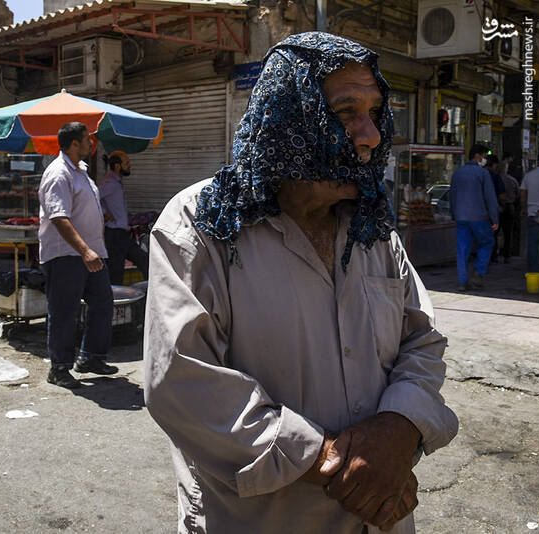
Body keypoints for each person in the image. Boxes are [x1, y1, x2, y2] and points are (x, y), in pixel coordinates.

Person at [144, 32, 458, 534]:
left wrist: (399, 431)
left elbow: (421, 339)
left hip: (380, 513)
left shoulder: (370, 227)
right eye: (345, 112)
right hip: (258, 518)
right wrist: (336, 463)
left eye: (375, 112)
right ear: (288, 117)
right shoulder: (201, 224)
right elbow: (181, 383)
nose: (370, 135)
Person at [38, 122, 116, 389]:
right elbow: (59, 217)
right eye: (87, 140)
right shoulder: (59, 173)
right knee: (64, 311)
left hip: (93, 254)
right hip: (67, 256)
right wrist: (84, 250)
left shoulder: (81, 171)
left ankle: (91, 358)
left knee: (103, 304)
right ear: (74, 144)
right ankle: (59, 368)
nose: (91, 144)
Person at [449, 144, 499, 291]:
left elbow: (452, 195)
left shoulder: (457, 173)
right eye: (484, 156)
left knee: (462, 248)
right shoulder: (482, 173)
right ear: (477, 156)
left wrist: (454, 214)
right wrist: (495, 218)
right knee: (487, 242)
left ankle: (462, 281)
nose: (485, 159)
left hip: (460, 217)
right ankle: (478, 274)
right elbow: (490, 198)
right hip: (479, 217)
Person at [99, 150, 149, 285]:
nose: (130, 165)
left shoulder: (117, 182)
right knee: (115, 275)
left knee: (145, 261)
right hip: (114, 237)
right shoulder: (110, 183)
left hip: (123, 236)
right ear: (117, 166)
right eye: (126, 163)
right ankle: (114, 304)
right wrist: (104, 212)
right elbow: (93, 197)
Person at [485, 155, 506, 262]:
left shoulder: (479, 175)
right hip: (493, 210)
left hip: (478, 211)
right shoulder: (495, 177)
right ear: (494, 165)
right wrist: (502, 205)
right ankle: (491, 256)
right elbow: (502, 196)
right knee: (493, 234)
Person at [499, 158, 520, 263]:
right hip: (509, 206)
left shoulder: (495, 179)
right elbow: (518, 194)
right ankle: (507, 255)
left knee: (495, 232)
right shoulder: (512, 180)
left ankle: (493, 254)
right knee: (508, 232)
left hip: (498, 207)